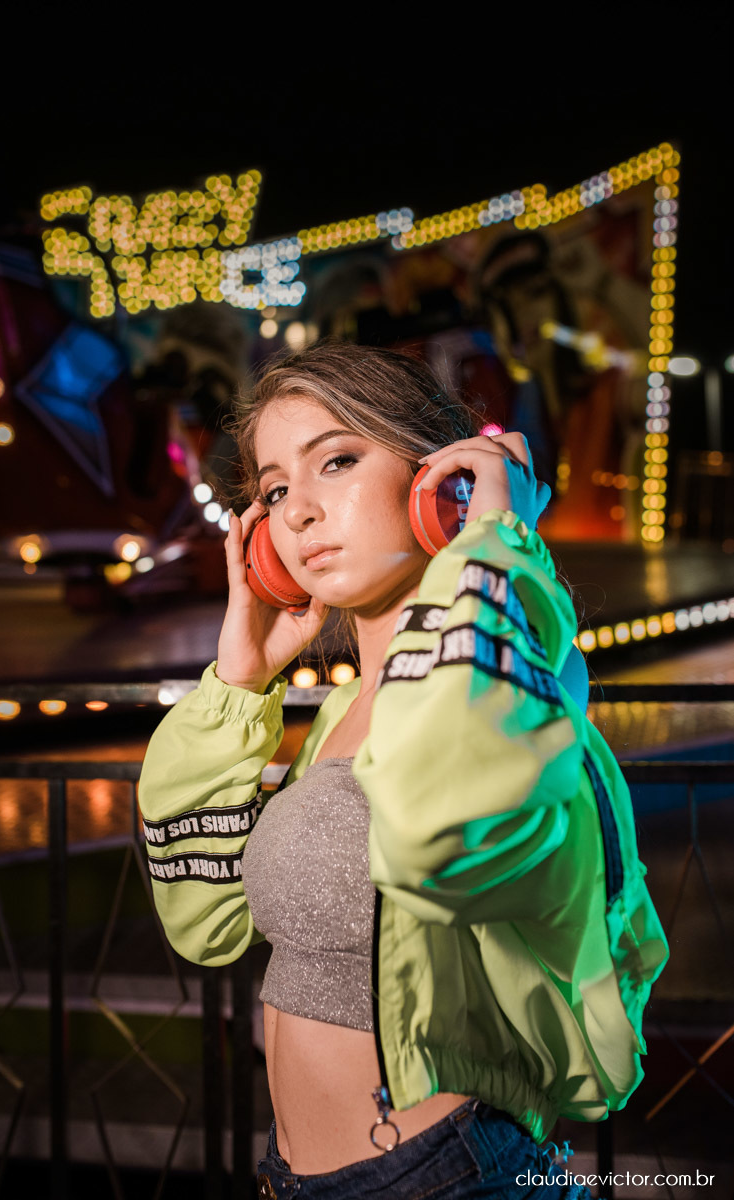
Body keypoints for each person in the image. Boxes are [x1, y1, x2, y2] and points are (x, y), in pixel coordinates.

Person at [138, 341, 668, 1199]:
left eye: (336, 461)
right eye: (274, 491)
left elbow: (439, 833)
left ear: (440, 485)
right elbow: (200, 914)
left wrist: (492, 543)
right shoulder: (340, 717)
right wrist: (238, 687)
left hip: (447, 1175)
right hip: (294, 1178)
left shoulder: (510, 675)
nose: (298, 513)